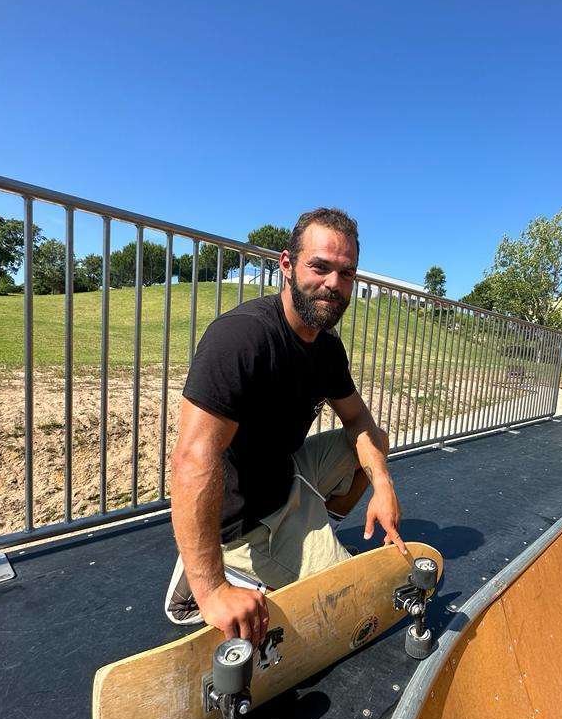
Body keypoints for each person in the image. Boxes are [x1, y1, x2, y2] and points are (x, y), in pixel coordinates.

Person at [165, 207, 405, 648]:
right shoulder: (241, 338)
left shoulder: (326, 347)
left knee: (376, 443)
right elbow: (192, 458)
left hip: (288, 475)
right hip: (245, 517)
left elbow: (359, 421)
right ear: (287, 265)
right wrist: (212, 591)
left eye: (346, 273)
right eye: (320, 267)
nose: (334, 284)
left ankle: (316, 527)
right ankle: (205, 577)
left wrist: (383, 484)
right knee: (347, 606)